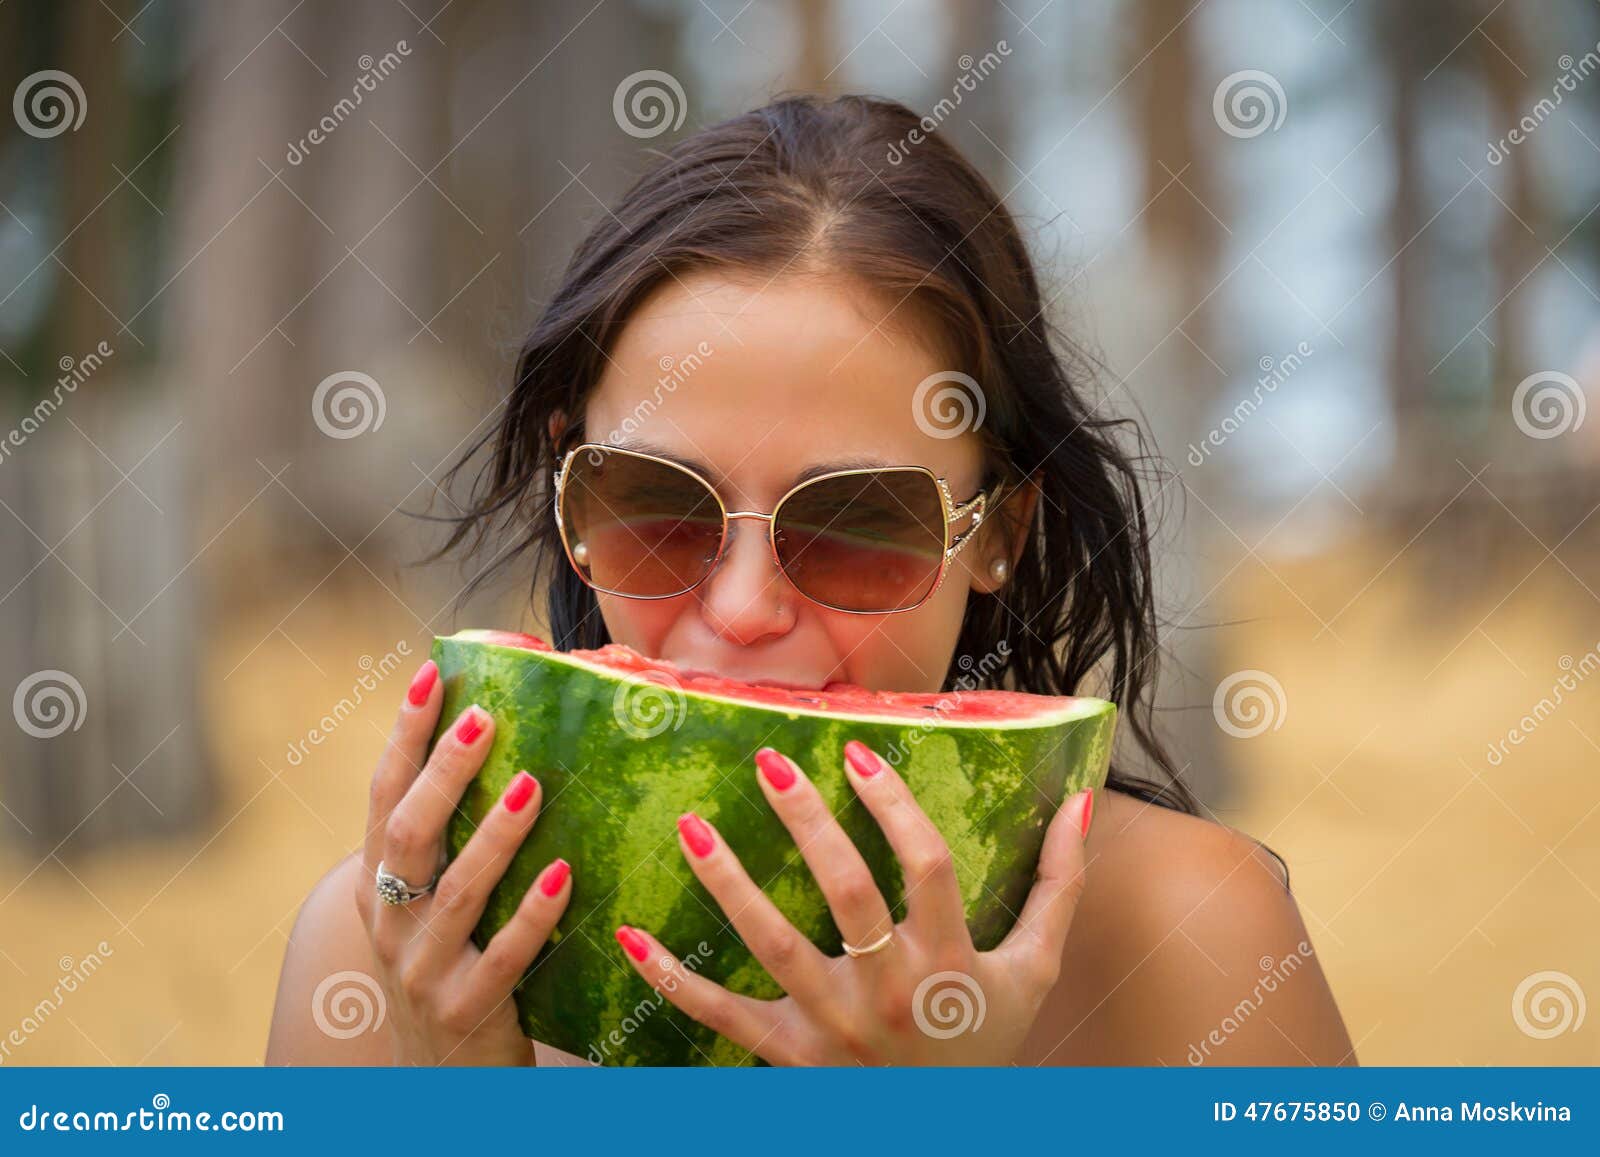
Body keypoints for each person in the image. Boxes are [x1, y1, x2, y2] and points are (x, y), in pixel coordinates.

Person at [266, 94, 1353, 1067]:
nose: (739, 611)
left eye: (854, 524)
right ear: (571, 496)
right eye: (656, 504)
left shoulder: (1188, 937)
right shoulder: (376, 965)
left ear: (996, 532)